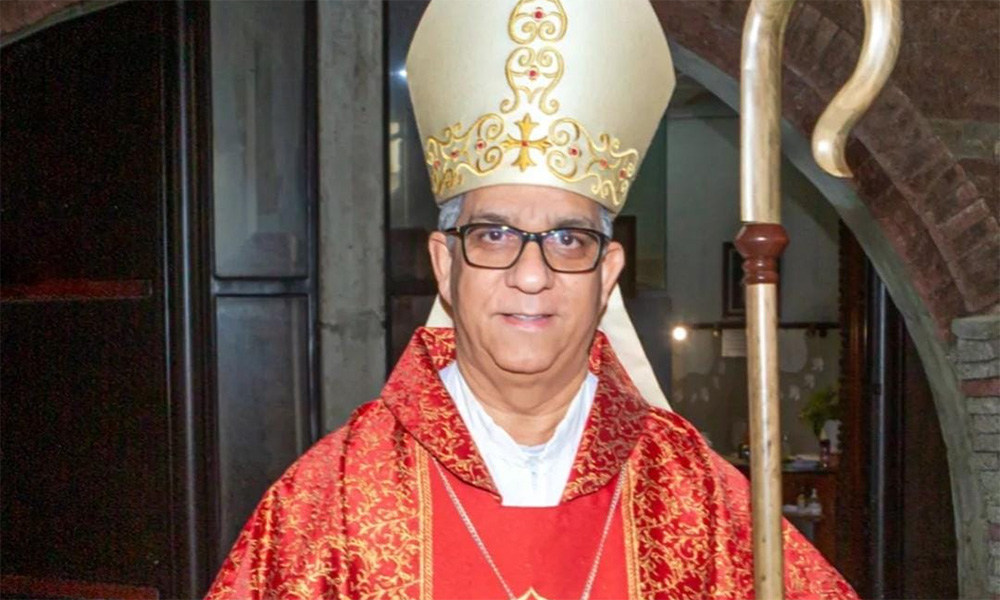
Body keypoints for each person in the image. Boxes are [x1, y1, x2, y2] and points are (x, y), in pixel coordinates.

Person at [206, 1, 858, 598]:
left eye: (568, 240)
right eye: (494, 235)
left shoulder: (695, 496)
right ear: (445, 265)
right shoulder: (335, 498)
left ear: (607, 274)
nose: (530, 274)